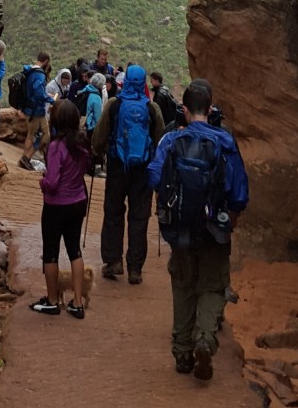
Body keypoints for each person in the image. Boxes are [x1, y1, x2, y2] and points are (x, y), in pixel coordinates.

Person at [148, 78, 249, 383]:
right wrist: (229, 219)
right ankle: (204, 338)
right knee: (213, 287)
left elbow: (154, 177)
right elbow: (240, 193)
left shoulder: (170, 140)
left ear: (184, 109)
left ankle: (182, 353)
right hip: (214, 229)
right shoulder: (225, 142)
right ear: (211, 106)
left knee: (183, 284)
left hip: (180, 229)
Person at [92, 63, 165, 283]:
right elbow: (160, 138)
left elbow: (99, 137)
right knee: (139, 217)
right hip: (143, 171)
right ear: (143, 83)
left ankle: (114, 262)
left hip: (117, 167)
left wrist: (99, 153)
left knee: (114, 212)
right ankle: (135, 268)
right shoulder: (152, 109)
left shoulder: (115, 104)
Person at [30, 100, 93, 319]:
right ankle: (77, 303)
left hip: (56, 205)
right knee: (75, 250)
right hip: (78, 202)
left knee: (50, 252)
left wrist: (42, 182)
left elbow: (53, 181)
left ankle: (52, 300)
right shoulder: (82, 143)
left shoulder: (57, 146)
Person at [18, 52, 51, 169]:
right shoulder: (39, 74)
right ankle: (25, 159)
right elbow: (38, 92)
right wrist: (50, 99)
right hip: (35, 110)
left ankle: (26, 158)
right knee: (32, 136)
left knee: (44, 135)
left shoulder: (30, 70)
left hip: (33, 109)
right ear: (46, 61)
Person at [85, 70, 106, 135]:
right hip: (90, 127)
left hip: (81, 123)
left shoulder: (85, 90)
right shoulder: (96, 97)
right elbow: (97, 117)